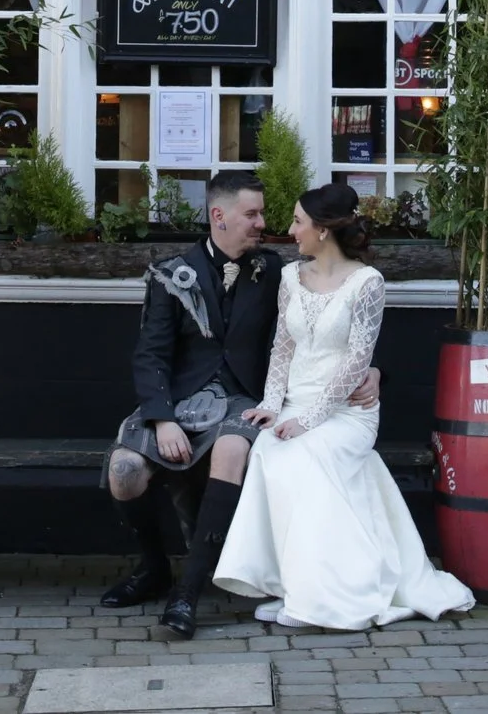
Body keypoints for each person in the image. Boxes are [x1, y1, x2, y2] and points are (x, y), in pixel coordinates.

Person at [99, 170, 379, 639]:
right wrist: (162, 418)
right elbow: (150, 355)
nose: (262, 223)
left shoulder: (275, 272)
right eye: (252, 214)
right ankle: (152, 570)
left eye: (264, 213)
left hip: (245, 398)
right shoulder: (172, 274)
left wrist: (373, 371)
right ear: (218, 216)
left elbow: (332, 323)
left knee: (232, 451)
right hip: (180, 401)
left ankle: (187, 594)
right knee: (124, 472)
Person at [214, 181, 475, 631]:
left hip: (346, 414)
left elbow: (357, 361)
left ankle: (330, 595)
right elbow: (282, 348)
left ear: (322, 229)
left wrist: (308, 420)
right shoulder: (292, 277)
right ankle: (293, 587)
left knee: (307, 456)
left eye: (298, 222)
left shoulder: (367, 283)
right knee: (268, 452)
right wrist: (274, 406)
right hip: (295, 403)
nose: (290, 230)